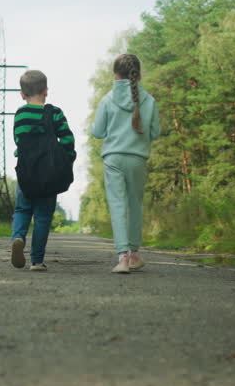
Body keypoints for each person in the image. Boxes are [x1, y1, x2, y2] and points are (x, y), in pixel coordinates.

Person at [91, 53, 160, 274]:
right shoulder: (149, 100)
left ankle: (122, 258)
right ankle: (134, 255)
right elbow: (155, 133)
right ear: (138, 74)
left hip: (113, 158)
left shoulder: (107, 99)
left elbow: (98, 132)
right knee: (134, 205)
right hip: (137, 158)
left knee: (118, 205)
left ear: (115, 74)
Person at [10, 69, 76, 271]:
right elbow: (68, 140)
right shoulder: (55, 113)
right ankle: (36, 261)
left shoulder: (20, 114)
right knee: (43, 216)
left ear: (22, 94)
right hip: (49, 173)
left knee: (22, 209)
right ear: (46, 91)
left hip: (26, 172)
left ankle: (18, 237)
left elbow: (19, 141)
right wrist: (66, 158)